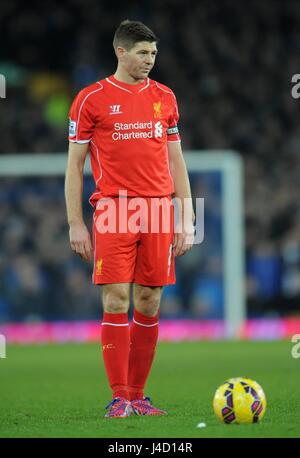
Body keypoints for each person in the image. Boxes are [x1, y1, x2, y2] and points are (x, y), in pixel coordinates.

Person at [65, 20, 194, 418]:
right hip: (114, 210)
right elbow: (75, 165)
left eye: (153, 54)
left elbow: (176, 160)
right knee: (116, 297)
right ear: (121, 51)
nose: (150, 60)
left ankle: (138, 396)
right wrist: (75, 223)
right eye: (142, 53)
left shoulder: (165, 98)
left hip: (158, 209)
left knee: (150, 301)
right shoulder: (92, 99)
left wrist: (186, 217)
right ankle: (119, 396)